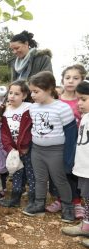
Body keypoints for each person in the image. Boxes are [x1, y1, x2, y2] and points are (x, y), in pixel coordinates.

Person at [22, 71, 76, 223]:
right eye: (31, 91)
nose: (32, 95)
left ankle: (67, 207)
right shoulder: (33, 108)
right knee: (40, 178)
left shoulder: (62, 108)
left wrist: (69, 157)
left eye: (36, 91)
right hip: (37, 150)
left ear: (49, 89)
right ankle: (39, 204)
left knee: (60, 180)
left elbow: (71, 134)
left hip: (56, 151)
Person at [46, 65, 87, 218]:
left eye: (76, 78)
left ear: (82, 80)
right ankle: (60, 199)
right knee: (57, 172)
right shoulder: (56, 100)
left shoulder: (82, 101)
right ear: (62, 79)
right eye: (67, 77)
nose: (71, 81)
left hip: (77, 144)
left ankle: (76, 202)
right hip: (57, 143)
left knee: (73, 173)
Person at [61, 80, 89, 248]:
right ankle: (86, 226)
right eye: (78, 99)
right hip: (85, 168)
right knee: (87, 197)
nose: (79, 103)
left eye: (84, 99)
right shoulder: (85, 117)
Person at [0, 80, 35, 208]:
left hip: (28, 149)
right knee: (16, 174)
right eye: (10, 93)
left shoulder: (29, 108)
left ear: (24, 96)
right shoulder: (5, 111)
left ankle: (33, 201)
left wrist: (25, 146)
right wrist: (9, 148)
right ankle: (15, 199)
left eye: (16, 94)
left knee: (31, 175)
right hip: (14, 150)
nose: (12, 96)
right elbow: (4, 133)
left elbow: (30, 130)